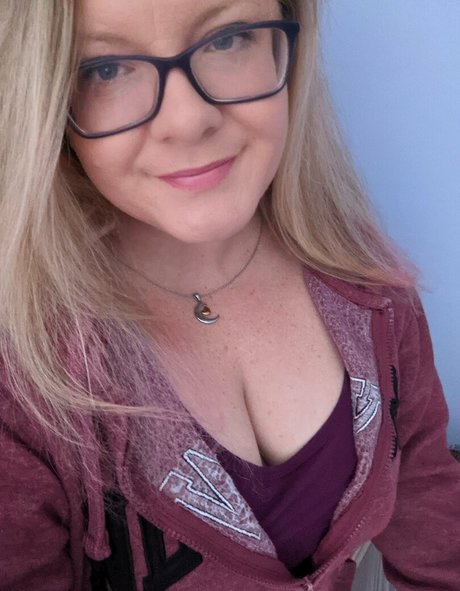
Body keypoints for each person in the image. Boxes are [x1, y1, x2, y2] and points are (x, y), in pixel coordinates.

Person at [0, 1, 458, 590]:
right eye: (105, 69)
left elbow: (431, 509)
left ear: (287, 48)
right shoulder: (20, 381)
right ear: (47, 98)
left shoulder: (370, 288)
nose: (188, 120)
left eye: (228, 39)